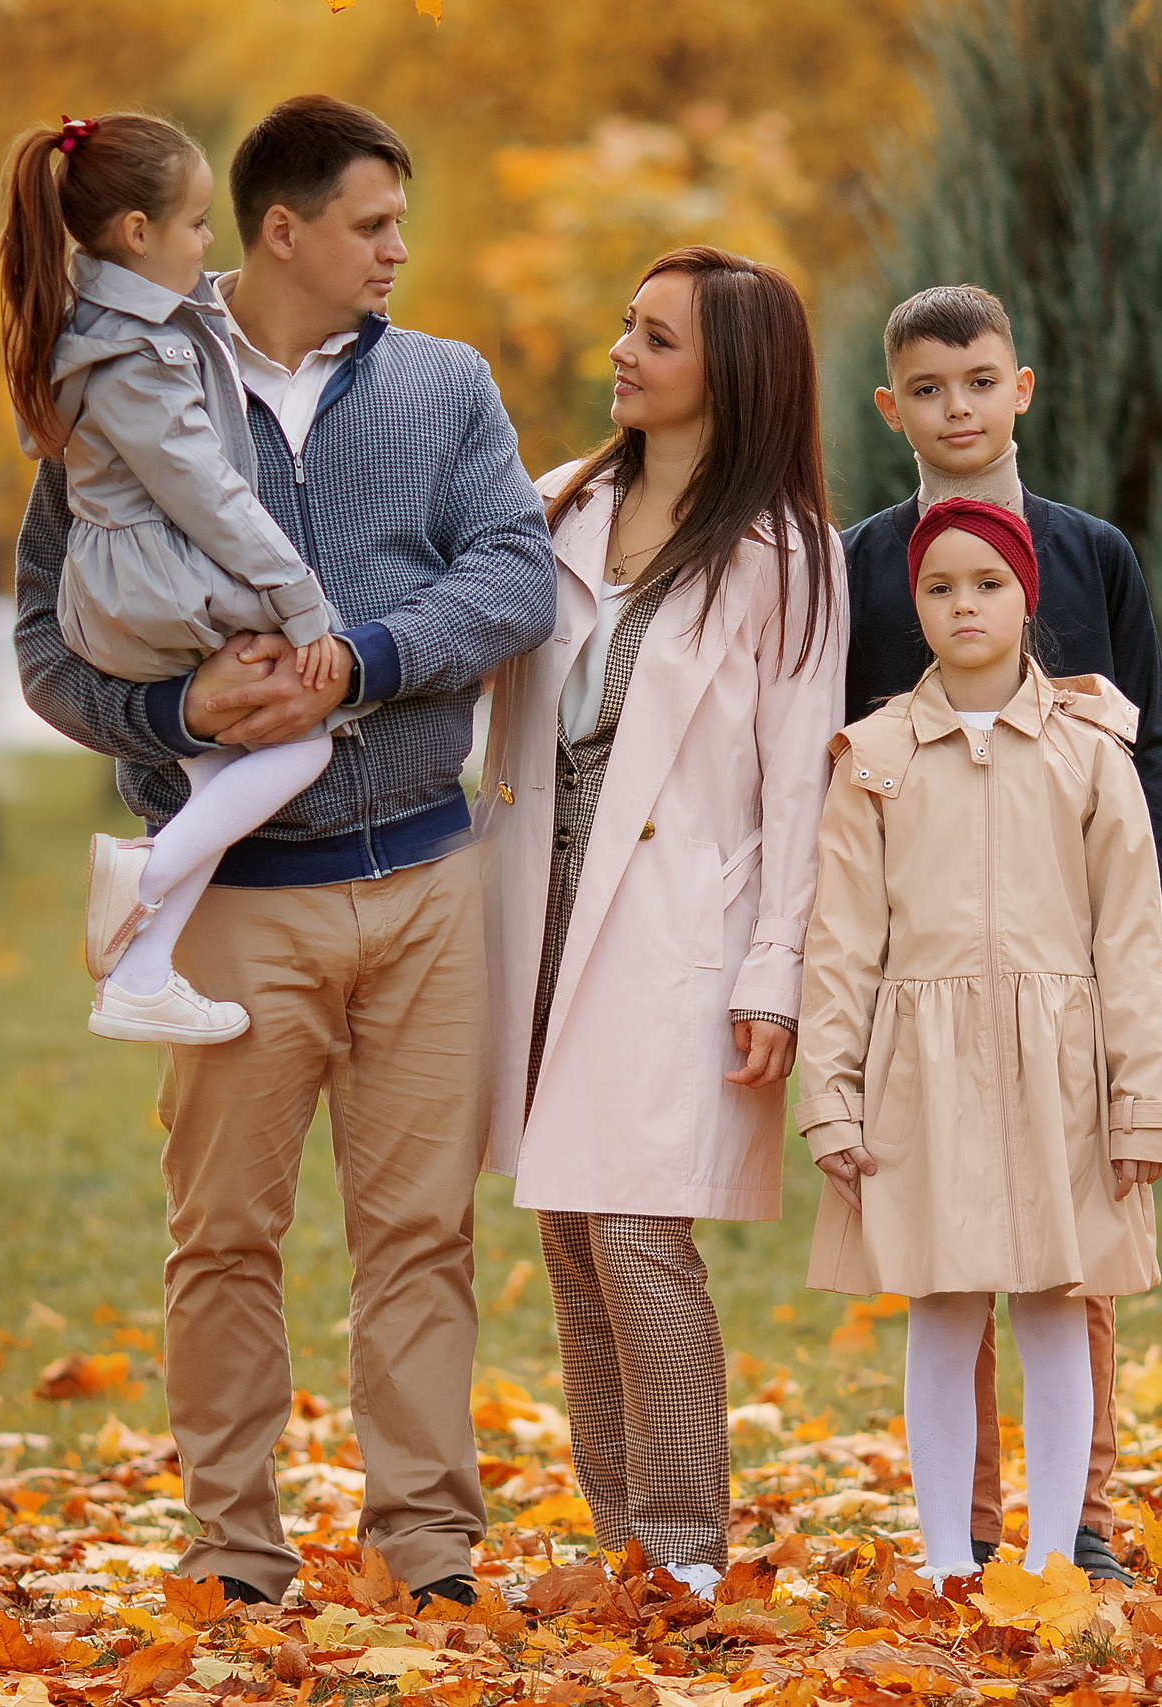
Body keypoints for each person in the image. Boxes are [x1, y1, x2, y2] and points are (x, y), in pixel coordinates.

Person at [11, 95, 558, 1609]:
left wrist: (367, 657)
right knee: (226, 1238)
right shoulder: (128, 379)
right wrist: (173, 703)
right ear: (280, 229)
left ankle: (430, 1548)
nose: (399, 249)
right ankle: (235, 1554)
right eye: (375, 224)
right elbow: (43, 639)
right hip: (244, 904)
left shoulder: (447, 386)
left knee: (418, 1237)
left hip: (427, 881)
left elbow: (515, 575)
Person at [475, 246, 846, 1593]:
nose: (624, 352)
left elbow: (802, 778)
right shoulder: (554, 503)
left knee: (639, 1228)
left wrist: (775, 976)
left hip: (685, 928)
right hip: (543, 906)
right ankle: (619, 1542)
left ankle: (684, 1551)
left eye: (659, 338)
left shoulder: (785, 556)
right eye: (629, 325)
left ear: (730, 374)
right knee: (569, 1224)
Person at [840, 283, 1162, 1583]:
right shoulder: (866, 562)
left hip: (1069, 962)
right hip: (926, 972)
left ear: (1020, 386)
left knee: (1069, 1251)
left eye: (978, 380)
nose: (956, 407)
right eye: (927, 389)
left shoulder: (1091, 554)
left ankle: (1076, 1515)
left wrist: (1153, 923)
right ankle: (966, 1519)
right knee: (949, 1251)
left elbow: (1146, 759)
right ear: (892, 409)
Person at [0, 111, 356, 1048]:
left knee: (219, 777)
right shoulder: (136, 355)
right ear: (138, 234)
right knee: (303, 744)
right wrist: (300, 600)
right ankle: (142, 872)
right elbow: (209, 493)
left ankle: (141, 975)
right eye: (197, 224)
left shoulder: (122, 324)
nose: (210, 240)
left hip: (131, 583)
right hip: (159, 584)